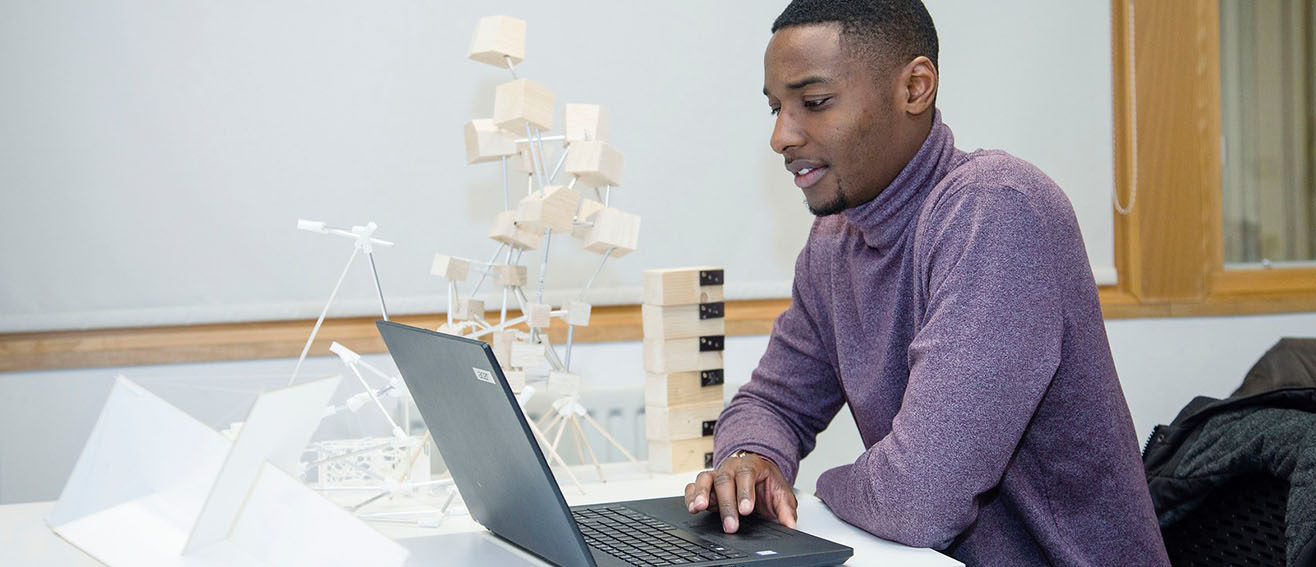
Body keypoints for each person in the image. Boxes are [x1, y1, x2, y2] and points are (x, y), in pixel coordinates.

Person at [682, 1, 1171, 564]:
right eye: (776, 108)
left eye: (813, 102)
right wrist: (752, 458)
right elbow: (774, 402)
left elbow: (918, 501)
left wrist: (824, 489)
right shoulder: (835, 241)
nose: (781, 137)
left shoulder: (997, 210)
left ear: (915, 87)